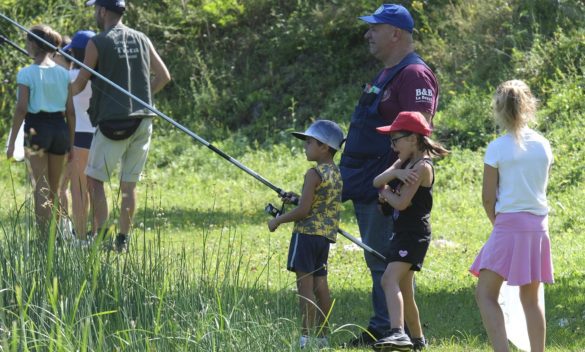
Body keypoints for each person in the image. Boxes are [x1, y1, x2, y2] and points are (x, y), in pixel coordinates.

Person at [339, 4, 439, 346]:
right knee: (378, 257)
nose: (367, 35)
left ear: (395, 33)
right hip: (370, 176)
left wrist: (397, 180)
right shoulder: (388, 72)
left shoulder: (413, 75)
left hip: (391, 185)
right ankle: (386, 325)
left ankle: (390, 330)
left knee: (386, 260)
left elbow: (418, 135)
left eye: (374, 28)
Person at [72, 0, 171, 251]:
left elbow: (80, 84)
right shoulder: (141, 38)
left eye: (96, 9)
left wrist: (62, 91)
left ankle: (102, 236)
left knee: (94, 180)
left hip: (112, 124)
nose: (96, 13)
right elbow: (163, 76)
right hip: (143, 120)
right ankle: (122, 241)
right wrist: (143, 99)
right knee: (128, 185)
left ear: (104, 11)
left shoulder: (97, 42)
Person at [470, 80, 554, 352]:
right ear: (529, 106)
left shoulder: (497, 147)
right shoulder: (543, 145)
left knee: (485, 294)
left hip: (508, 225)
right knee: (531, 299)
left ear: (498, 108)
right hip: (539, 227)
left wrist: (498, 224)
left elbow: (487, 197)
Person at [371, 111, 448, 351]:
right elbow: (376, 181)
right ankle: (418, 340)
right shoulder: (404, 163)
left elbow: (401, 202)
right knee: (405, 289)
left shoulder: (422, 167)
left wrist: (386, 193)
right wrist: (394, 174)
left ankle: (398, 333)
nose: (393, 146)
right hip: (403, 233)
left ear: (413, 139)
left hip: (414, 235)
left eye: (396, 140)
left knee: (388, 278)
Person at [267, 120, 344, 349]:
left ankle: (305, 338)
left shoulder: (313, 173)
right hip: (323, 238)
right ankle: (322, 337)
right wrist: (296, 199)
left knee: (305, 288)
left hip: (305, 235)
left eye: (309, 142)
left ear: (324, 147)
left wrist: (277, 220)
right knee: (321, 286)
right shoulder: (336, 173)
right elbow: (317, 203)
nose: (305, 146)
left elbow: (304, 211)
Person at [6, 24, 75, 237]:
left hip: (37, 129)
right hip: (60, 130)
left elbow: (21, 109)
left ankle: (44, 240)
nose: (26, 45)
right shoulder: (64, 74)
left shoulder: (26, 73)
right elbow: (70, 112)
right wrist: (71, 143)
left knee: (41, 190)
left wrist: (11, 142)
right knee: (55, 190)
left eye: (27, 42)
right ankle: (61, 236)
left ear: (34, 44)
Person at [60, 30, 96, 240]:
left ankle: (81, 237)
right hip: (100, 135)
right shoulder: (101, 77)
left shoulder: (70, 77)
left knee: (79, 190)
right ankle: (96, 233)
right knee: (96, 189)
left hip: (80, 136)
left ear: (74, 52)